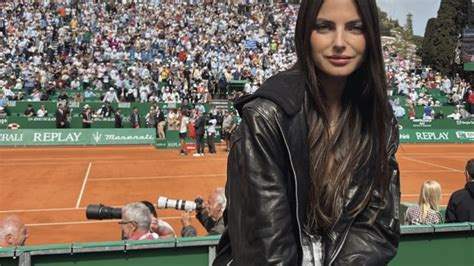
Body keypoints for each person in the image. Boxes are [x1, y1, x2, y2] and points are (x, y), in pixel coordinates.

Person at [214, 0, 401, 265]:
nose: (339, 42)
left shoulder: (380, 119)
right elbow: (265, 254)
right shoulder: (266, 117)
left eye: (355, 28)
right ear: (305, 33)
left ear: (370, 35)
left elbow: (377, 230)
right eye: (324, 27)